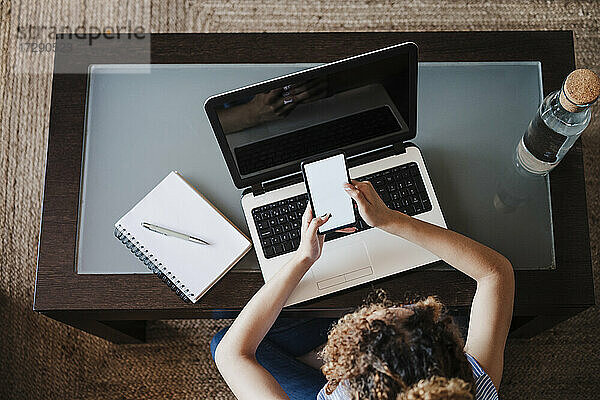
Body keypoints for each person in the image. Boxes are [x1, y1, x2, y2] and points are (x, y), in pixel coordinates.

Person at [211, 179, 514, 400]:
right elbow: (495, 273)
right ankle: (317, 357)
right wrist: (392, 220)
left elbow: (232, 353)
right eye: (412, 311)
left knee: (224, 332)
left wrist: (304, 258)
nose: (381, 306)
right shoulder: (471, 386)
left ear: (345, 382)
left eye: (372, 319)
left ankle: (316, 358)